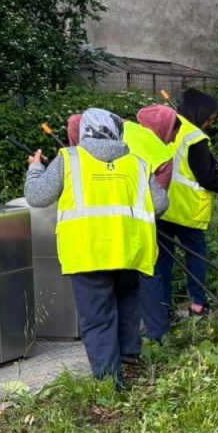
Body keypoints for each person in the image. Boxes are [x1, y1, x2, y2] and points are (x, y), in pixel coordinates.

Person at [24, 108, 167, 387]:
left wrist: (35, 168)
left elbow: (37, 197)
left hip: (87, 251)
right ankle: (128, 356)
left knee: (97, 316)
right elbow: (160, 204)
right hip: (131, 249)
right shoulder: (137, 163)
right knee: (127, 303)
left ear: (85, 132)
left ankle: (109, 380)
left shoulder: (69, 159)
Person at [140, 89, 218, 339]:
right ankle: (198, 305)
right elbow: (208, 178)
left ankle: (163, 308)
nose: (211, 124)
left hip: (161, 207)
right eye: (210, 119)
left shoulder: (169, 126)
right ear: (200, 114)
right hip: (187, 210)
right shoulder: (196, 138)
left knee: (163, 259)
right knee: (196, 254)